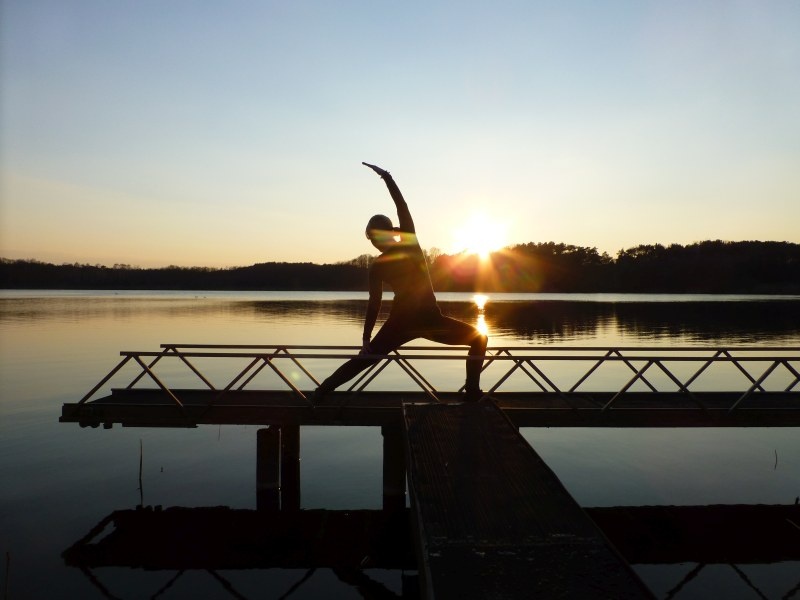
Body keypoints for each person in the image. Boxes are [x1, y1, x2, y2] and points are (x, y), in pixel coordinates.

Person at [314, 162, 488, 401]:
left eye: (375, 237)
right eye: (372, 239)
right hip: (421, 320)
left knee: (364, 360)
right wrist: (387, 177)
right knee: (479, 339)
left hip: (410, 321)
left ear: (385, 234)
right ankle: (472, 392)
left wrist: (367, 339)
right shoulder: (406, 248)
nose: (374, 243)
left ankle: (320, 392)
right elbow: (374, 302)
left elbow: (401, 207)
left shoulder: (393, 255)